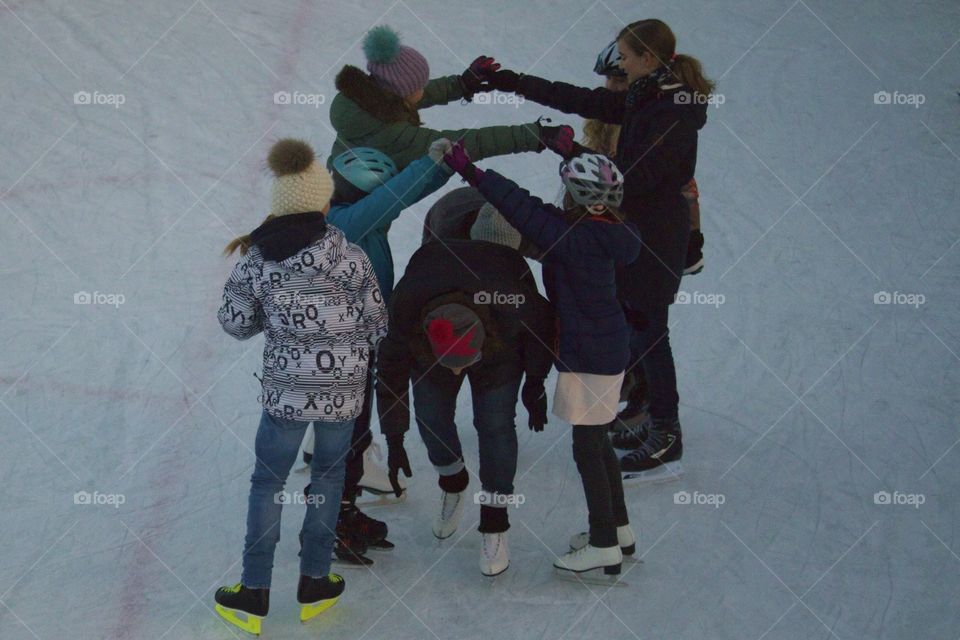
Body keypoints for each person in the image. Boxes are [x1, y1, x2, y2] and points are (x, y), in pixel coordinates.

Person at [484, 18, 712, 481]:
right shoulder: (647, 94)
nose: (621, 65)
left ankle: (666, 430)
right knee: (636, 327)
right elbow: (582, 99)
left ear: (648, 58)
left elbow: (633, 178)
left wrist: (573, 156)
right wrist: (511, 82)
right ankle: (650, 414)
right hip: (636, 233)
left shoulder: (672, 112)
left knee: (651, 332)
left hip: (655, 239)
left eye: (626, 57)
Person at [442, 140, 641, 579]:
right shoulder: (604, 230)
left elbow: (520, 207)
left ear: (578, 198)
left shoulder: (576, 239)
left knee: (588, 447)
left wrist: (472, 172)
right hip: (607, 347)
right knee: (600, 442)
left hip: (589, 355)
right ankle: (619, 531)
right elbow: (532, 207)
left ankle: (604, 544)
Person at [214, 139, 388, 633]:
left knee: (268, 482)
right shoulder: (351, 258)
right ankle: (315, 581)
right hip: (343, 394)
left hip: (287, 392)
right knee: (329, 481)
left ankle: (253, 591)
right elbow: (379, 321)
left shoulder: (258, 259)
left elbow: (233, 320)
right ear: (322, 203)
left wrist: (272, 321)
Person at [298, 141, 456, 566]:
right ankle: (326, 525)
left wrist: (440, 169)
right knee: (342, 440)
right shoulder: (345, 224)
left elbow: (393, 201)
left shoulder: (363, 224)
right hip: (336, 356)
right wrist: (432, 162)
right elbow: (395, 196)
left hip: (356, 349)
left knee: (353, 437)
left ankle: (341, 509)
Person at [376, 215, 555, 577]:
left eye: (463, 364)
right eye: (452, 365)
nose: (458, 373)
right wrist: (394, 437)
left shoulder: (512, 302)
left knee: (495, 424)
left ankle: (495, 523)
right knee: (430, 413)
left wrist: (535, 383)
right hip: (436, 309)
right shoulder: (404, 312)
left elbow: (543, 329)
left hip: (499, 352)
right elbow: (391, 373)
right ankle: (453, 482)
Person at [328, 25, 561, 170]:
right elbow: (463, 144)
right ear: (403, 93)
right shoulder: (395, 135)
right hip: (358, 220)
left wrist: (461, 83)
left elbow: (408, 98)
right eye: (419, 85)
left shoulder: (361, 100)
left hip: (341, 190)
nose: (423, 89)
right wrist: (531, 135)